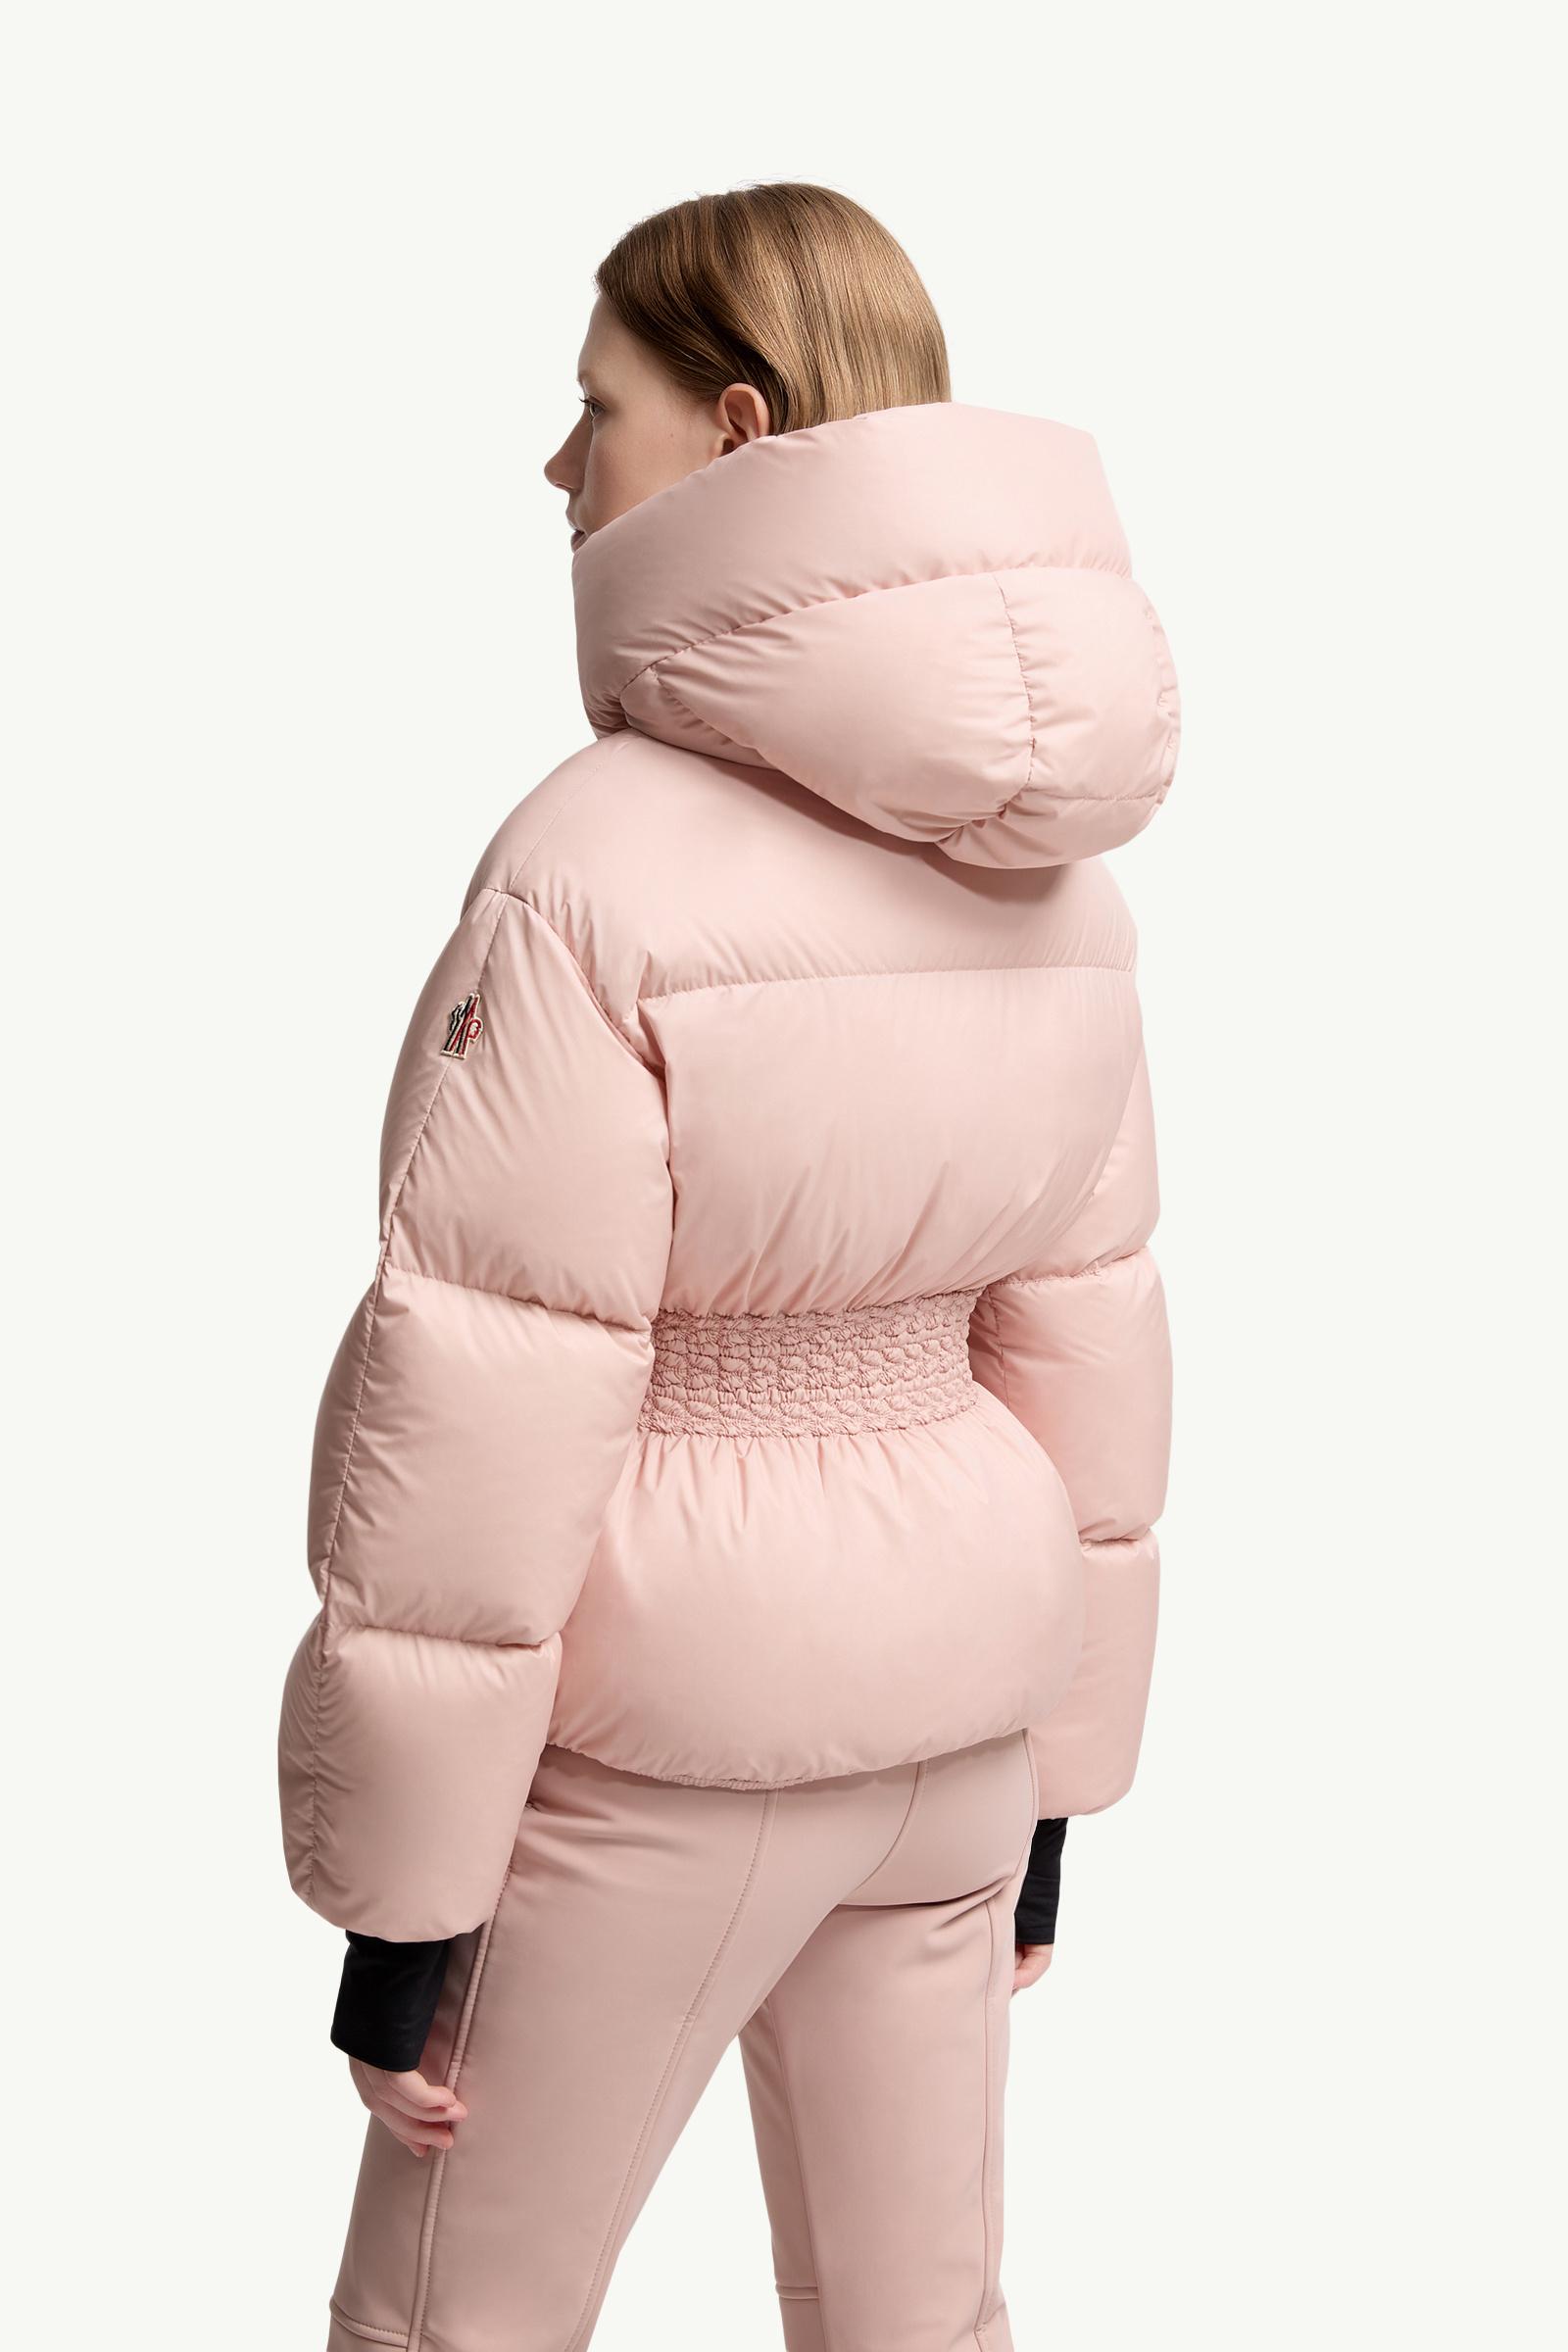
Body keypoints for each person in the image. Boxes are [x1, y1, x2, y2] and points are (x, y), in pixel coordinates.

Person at [278, 180, 1177, 2352]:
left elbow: (488, 1387)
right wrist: (1056, 1792)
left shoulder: (589, 863)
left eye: (598, 405)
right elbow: (1089, 1339)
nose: (558, 460)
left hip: (662, 1748)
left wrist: (404, 1907)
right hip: (959, 1730)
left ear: (740, 428)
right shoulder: (1061, 884)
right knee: (917, 2320)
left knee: (450, 2328)